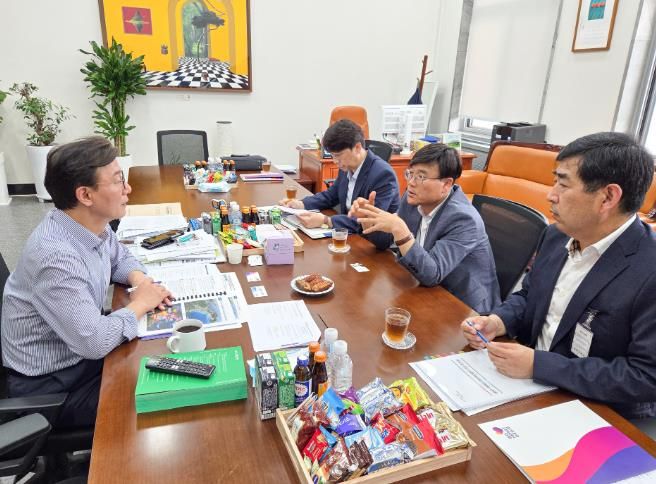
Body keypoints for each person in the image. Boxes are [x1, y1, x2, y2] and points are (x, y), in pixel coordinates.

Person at [462, 132, 656, 421]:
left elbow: (645, 376)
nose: (550, 195)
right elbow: (529, 295)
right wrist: (498, 321)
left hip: (600, 411)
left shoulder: (649, 270)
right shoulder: (556, 236)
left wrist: (540, 366)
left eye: (563, 184)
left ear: (607, 197)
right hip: (525, 387)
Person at [1, 136, 172, 429]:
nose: (128, 189)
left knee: (164, 358)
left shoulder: (89, 225)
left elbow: (120, 258)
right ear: (85, 195)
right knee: (164, 398)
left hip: (78, 356)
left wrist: (140, 280)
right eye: (118, 180)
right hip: (53, 388)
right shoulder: (55, 257)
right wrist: (141, 303)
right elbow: (94, 342)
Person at [349, 143, 500, 314]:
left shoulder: (464, 220)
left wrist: (401, 231)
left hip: (465, 308)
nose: (411, 183)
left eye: (421, 177)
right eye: (410, 174)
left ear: (446, 184)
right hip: (424, 289)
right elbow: (384, 243)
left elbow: (432, 274)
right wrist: (368, 220)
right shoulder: (413, 199)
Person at [279, 119, 399, 232]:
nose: (335, 161)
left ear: (357, 148)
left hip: (371, 240)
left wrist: (326, 221)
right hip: (347, 232)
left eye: (338, 155)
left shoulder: (383, 175)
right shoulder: (347, 166)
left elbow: (371, 220)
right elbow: (331, 195)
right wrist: (301, 204)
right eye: (332, 156)